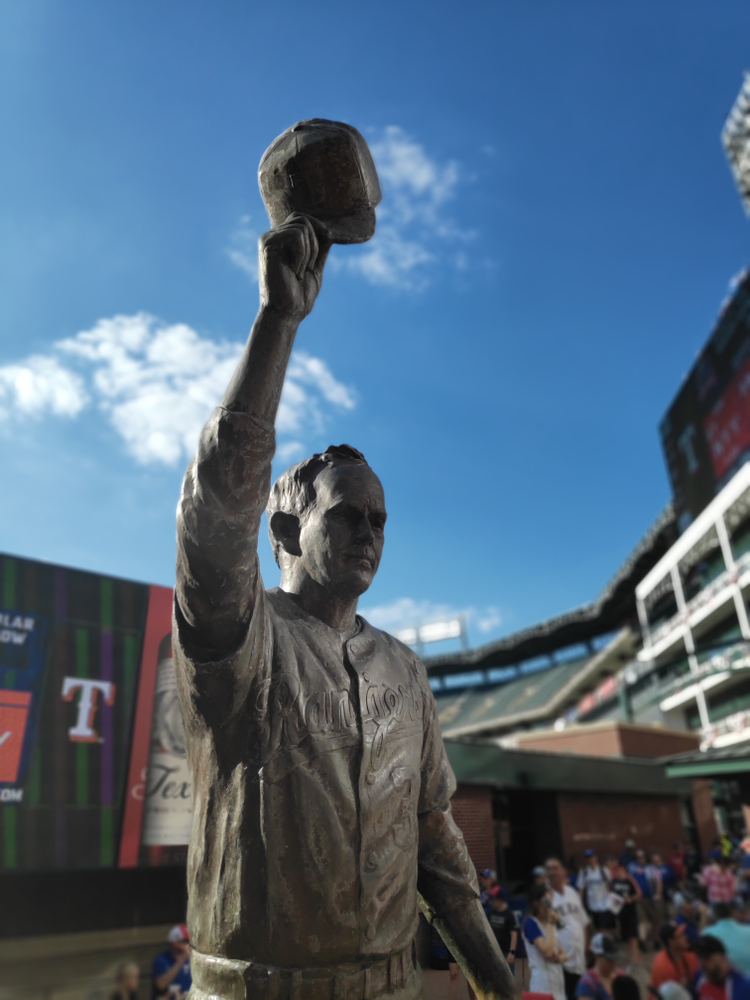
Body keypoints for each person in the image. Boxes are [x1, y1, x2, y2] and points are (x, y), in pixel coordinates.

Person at [172, 122, 515, 1000]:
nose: (370, 532)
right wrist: (277, 321)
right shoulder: (243, 646)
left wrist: (497, 985)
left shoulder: (402, 668)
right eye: (347, 514)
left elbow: (438, 847)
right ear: (286, 535)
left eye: (381, 520)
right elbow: (216, 518)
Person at [547, 856, 591, 1000]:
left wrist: (587, 947)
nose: (552, 872)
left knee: (582, 994)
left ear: (563, 871)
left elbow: (584, 922)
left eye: (555, 868)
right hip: (561, 960)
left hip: (579, 956)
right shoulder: (545, 897)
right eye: (548, 869)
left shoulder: (572, 892)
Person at [523, 885, 566, 1000]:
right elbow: (547, 952)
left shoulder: (549, 924)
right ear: (536, 903)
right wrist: (551, 924)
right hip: (542, 983)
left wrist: (557, 958)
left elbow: (563, 954)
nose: (549, 906)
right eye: (546, 901)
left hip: (557, 980)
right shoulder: (530, 923)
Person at [694, 934, 750, 1000]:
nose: (702, 964)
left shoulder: (743, 987)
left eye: (707, 957)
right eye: (700, 958)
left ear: (722, 957)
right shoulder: (699, 978)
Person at [649, 922, 698, 992]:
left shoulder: (690, 957)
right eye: (680, 935)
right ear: (671, 941)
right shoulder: (662, 965)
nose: (686, 937)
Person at [609, 860, 642, 963]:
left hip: (630, 910)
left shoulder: (630, 879)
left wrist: (631, 898)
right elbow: (610, 893)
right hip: (620, 911)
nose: (618, 870)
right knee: (627, 936)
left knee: (633, 935)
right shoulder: (614, 881)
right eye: (616, 869)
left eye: (619, 868)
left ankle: (636, 958)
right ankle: (633, 956)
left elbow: (639, 893)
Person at [705, 900, 750, 974]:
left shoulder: (707, 932)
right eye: (740, 911)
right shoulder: (708, 933)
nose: (743, 914)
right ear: (732, 913)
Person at [575, 933, 622, 1000]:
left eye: (615, 958)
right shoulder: (587, 983)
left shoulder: (620, 975)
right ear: (597, 956)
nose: (613, 963)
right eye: (609, 959)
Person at [629, 848, 658, 949]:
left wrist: (658, 894)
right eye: (638, 857)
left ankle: (656, 940)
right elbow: (630, 880)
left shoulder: (651, 868)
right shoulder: (633, 868)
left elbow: (658, 881)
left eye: (642, 857)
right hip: (639, 899)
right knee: (642, 920)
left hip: (651, 897)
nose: (641, 859)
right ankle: (643, 941)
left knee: (655, 920)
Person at [152, 925, 191, 1000]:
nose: (188, 945)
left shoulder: (191, 960)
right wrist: (180, 961)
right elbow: (161, 985)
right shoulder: (161, 960)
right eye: (185, 942)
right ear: (175, 943)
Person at [578, 849, 614, 929]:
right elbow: (581, 889)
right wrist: (579, 903)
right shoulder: (583, 872)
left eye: (592, 857)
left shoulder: (604, 870)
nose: (590, 859)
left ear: (596, 858)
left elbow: (611, 885)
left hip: (604, 903)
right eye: (588, 858)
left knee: (605, 927)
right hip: (592, 905)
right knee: (597, 927)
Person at [488, 893, 519, 969]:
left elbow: (514, 934)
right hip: (492, 953)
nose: (492, 902)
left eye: (494, 899)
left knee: (508, 978)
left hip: (505, 953)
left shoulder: (509, 915)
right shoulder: (490, 913)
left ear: (500, 900)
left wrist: (512, 953)